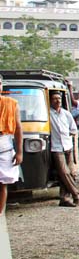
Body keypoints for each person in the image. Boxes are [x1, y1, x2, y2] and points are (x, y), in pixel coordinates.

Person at [49, 91, 79, 207]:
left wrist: (67, 134)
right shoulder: (47, 114)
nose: (57, 101)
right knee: (64, 172)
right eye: (55, 99)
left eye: (59, 99)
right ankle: (76, 193)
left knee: (69, 173)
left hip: (68, 146)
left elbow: (73, 129)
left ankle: (64, 198)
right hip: (56, 147)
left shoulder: (66, 114)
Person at [0, 74, 23, 215]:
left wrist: (19, 152)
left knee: (2, 183)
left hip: (4, 145)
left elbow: (18, 128)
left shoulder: (11, 103)